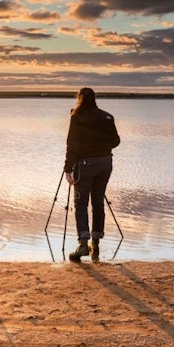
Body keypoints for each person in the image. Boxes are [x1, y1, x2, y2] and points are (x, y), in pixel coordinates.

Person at [64, 88, 121, 262]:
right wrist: (102, 146)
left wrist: (68, 168)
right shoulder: (107, 117)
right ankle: (95, 243)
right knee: (97, 201)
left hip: (85, 164)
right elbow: (116, 141)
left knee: (80, 203)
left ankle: (82, 244)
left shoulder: (77, 117)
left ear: (80, 99)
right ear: (94, 99)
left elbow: (72, 145)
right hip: (106, 162)